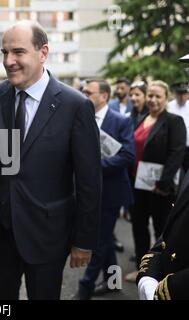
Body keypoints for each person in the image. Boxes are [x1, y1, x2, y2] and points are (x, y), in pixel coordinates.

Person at [0, 20, 102, 300]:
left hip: (48, 235)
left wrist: (84, 241)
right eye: (4, 52)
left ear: (43, 52)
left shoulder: (75, 105)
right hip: (2, 233)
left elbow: (89, 181)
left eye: (18, 52)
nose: (8, 61)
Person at [75, 79, 135, 299]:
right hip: (86, 191)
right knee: (107, 239)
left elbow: (128, 155)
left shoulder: (120, 121)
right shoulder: (81, 117)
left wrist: (94, 166)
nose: (84, 95)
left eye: (89, 92)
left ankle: (85, 287)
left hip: (111, 191)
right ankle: (113, 281)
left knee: (99, 240)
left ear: (104, 96)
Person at [125, 80, 186, 283]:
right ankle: (141, 270)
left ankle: (162, 274)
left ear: (166, 98)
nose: (152, 100)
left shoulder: (173, 121)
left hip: (160, 189)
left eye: (157, 96)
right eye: (150, 95)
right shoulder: (141, 119)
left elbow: (176, 154)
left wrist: (162, 183)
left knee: (162, 232)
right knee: (139, 228)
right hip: (137, 184)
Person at [168, 82, 189, 171]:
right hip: (173, 148)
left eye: (184, 94)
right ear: (175, 94)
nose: (182, 97)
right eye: (179, 94)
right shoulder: (169, 107)